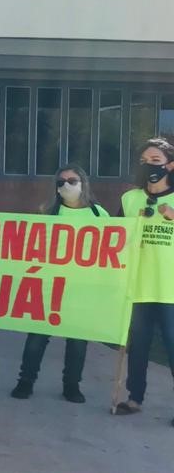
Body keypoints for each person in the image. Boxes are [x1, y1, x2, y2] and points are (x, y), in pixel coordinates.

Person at [9, 164, 104, 404]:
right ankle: (25, 381)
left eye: (71, 180)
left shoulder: (99, 215)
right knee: (37, 338)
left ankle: (72, 386)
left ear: (83, 182)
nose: (66, 186)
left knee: (77, 342)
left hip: (82, 289)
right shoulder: (48, 212)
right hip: (49, 287)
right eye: (60, 182)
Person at [112, 138, 174, 420]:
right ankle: (134, 398)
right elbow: (111, 239)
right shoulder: (130, 199)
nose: (150, 167)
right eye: (144, 161)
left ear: (170, 166)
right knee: (138, 347)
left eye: (156, 161)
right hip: (137, 287)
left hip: (169, 290)